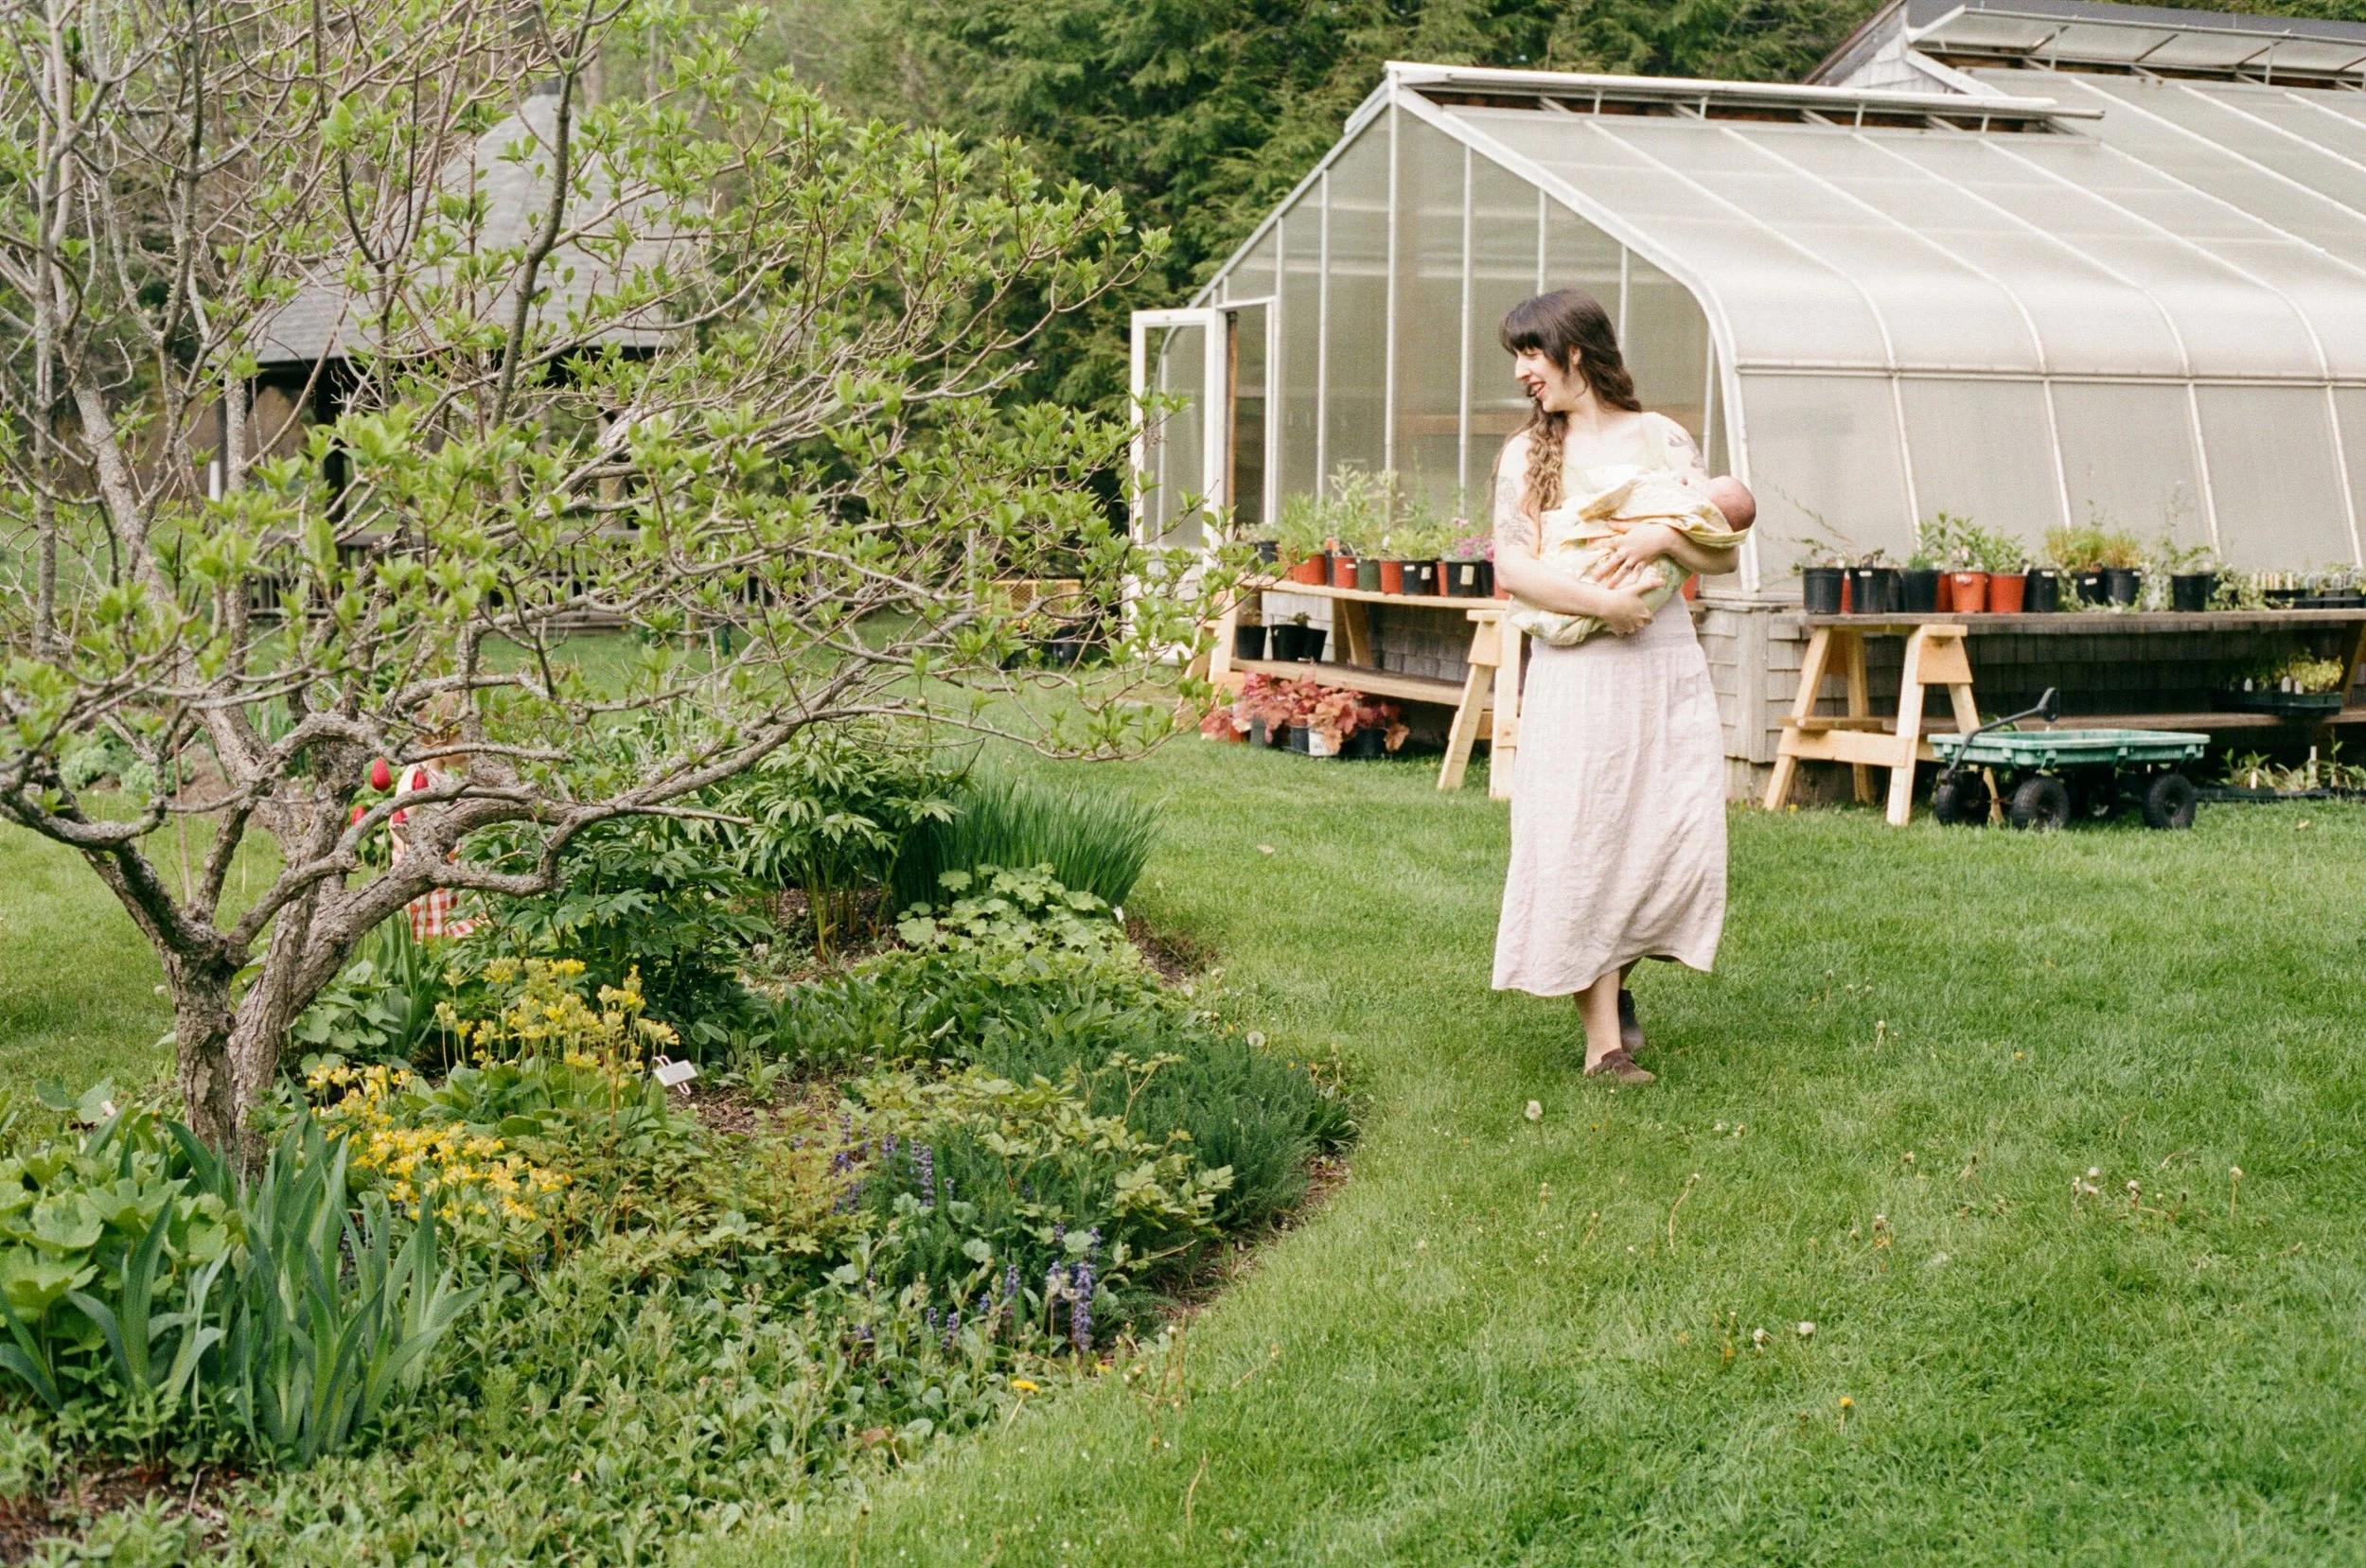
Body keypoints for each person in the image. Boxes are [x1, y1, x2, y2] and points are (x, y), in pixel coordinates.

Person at [1488, 289, 1749, 1084]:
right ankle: (1603, 1047)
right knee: (1584, 834)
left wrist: (1663, 533)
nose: (1524, 372)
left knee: (1661, 833)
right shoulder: (1526, 455)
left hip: (1663, 664)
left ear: (1575, 350)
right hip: (1582, 669)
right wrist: (1603, 603)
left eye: (1532, 353)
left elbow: (1723, 553)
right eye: (1517, 359)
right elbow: (1514, 564)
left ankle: (1617, 969)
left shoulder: (1663, 438)